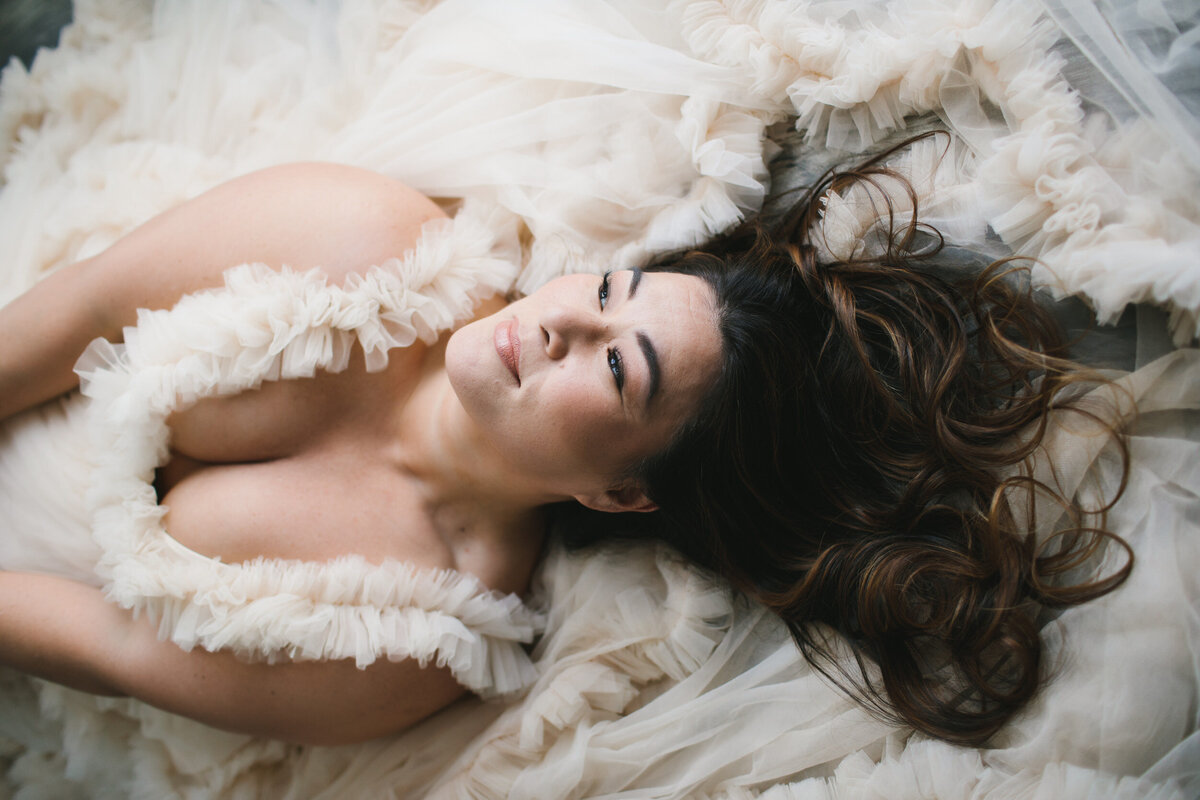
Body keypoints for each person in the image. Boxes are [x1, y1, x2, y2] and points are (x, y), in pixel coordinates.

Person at [0, 147, 1127, 748]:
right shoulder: (363, 242)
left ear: (624, 491)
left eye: (617, 365)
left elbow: (107, 645)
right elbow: (81, 304)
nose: (562, 320)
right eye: (608, 290)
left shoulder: (414, 626)